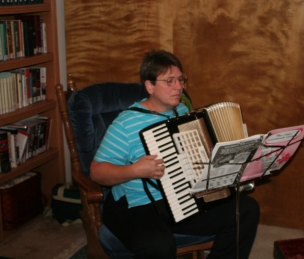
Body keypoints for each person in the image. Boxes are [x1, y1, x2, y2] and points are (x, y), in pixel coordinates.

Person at [90, 50, 260, 258]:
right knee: (158, 245)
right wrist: (135, 170)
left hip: (182, 198)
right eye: (169, 81)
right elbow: (96, 172)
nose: (179, 87)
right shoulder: (125, 123)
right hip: (137, 205)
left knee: (246, 209)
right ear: (149, 86)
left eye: (180, 80)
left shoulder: (182, 111)